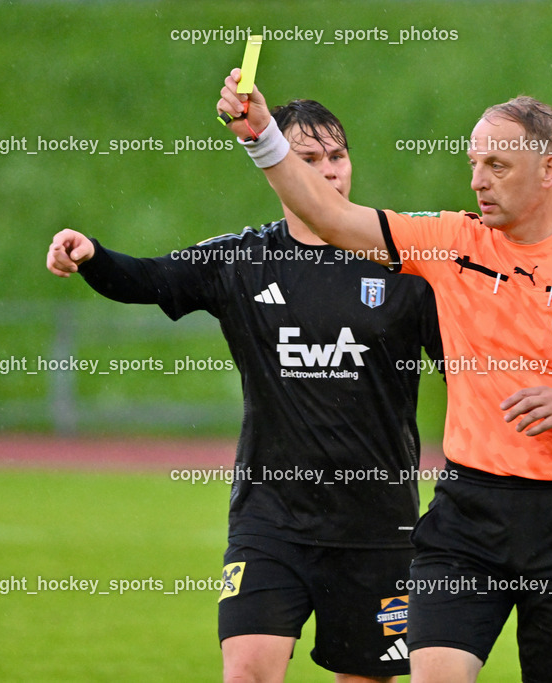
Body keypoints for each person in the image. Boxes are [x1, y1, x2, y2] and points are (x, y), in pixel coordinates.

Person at [217, 73, 552, 683]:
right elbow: (330, 216)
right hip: (466, 515)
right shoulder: (449, 240)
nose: (477, 180)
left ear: (549, 170)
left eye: (497, 165)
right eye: (474, 163)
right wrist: (261, 137)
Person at [46, 100, 444, 683]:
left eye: (338, 156)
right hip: (271, 521)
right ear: (278, 164)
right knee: (247, 672)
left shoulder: (403, 266)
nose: (330, 170)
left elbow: (466, 370)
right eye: (309, 158)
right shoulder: (244, 259)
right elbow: (150, 278)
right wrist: (93, 257)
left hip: (378, 526)